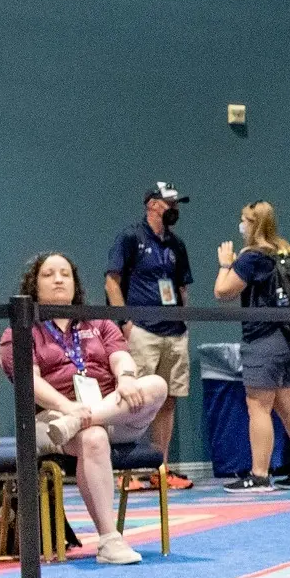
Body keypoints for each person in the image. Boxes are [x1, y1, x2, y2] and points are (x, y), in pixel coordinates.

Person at [0, 252, 168, 565]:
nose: (59, 279)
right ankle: (109, 540)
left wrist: (127, 378)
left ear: (75, 283)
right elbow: (29, 381)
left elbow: (120, 356)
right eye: (49, 274)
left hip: (112, 410)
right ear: (34, 285)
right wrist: (67, 408)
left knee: (156, 384)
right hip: (52, 419)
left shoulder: (98, 320)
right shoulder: (21, 330)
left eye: (65, 273)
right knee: (93, 438)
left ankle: (86, 419)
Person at [213, 201, 290, 492]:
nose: (241, 226)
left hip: (264, 340)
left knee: (258, 407)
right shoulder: (284, 252)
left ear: (254, 224)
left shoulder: (252, 258)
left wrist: (226, 263)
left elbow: (223, 291)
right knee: (288, 407)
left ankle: (259, 476)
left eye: (244, 220)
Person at [106, 181, 194, 488]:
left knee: (167, 401)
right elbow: (112, 282)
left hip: (174, 331)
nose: (175, 209)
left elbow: (182, 287)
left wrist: (185, 322)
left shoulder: (177, 245)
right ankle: (125, 471)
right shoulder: (130, 238)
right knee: (135, 399)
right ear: (152, 204)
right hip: (141, 330)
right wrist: (124, 322)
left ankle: (160, 469)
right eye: (170, 203)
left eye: (177, 203)